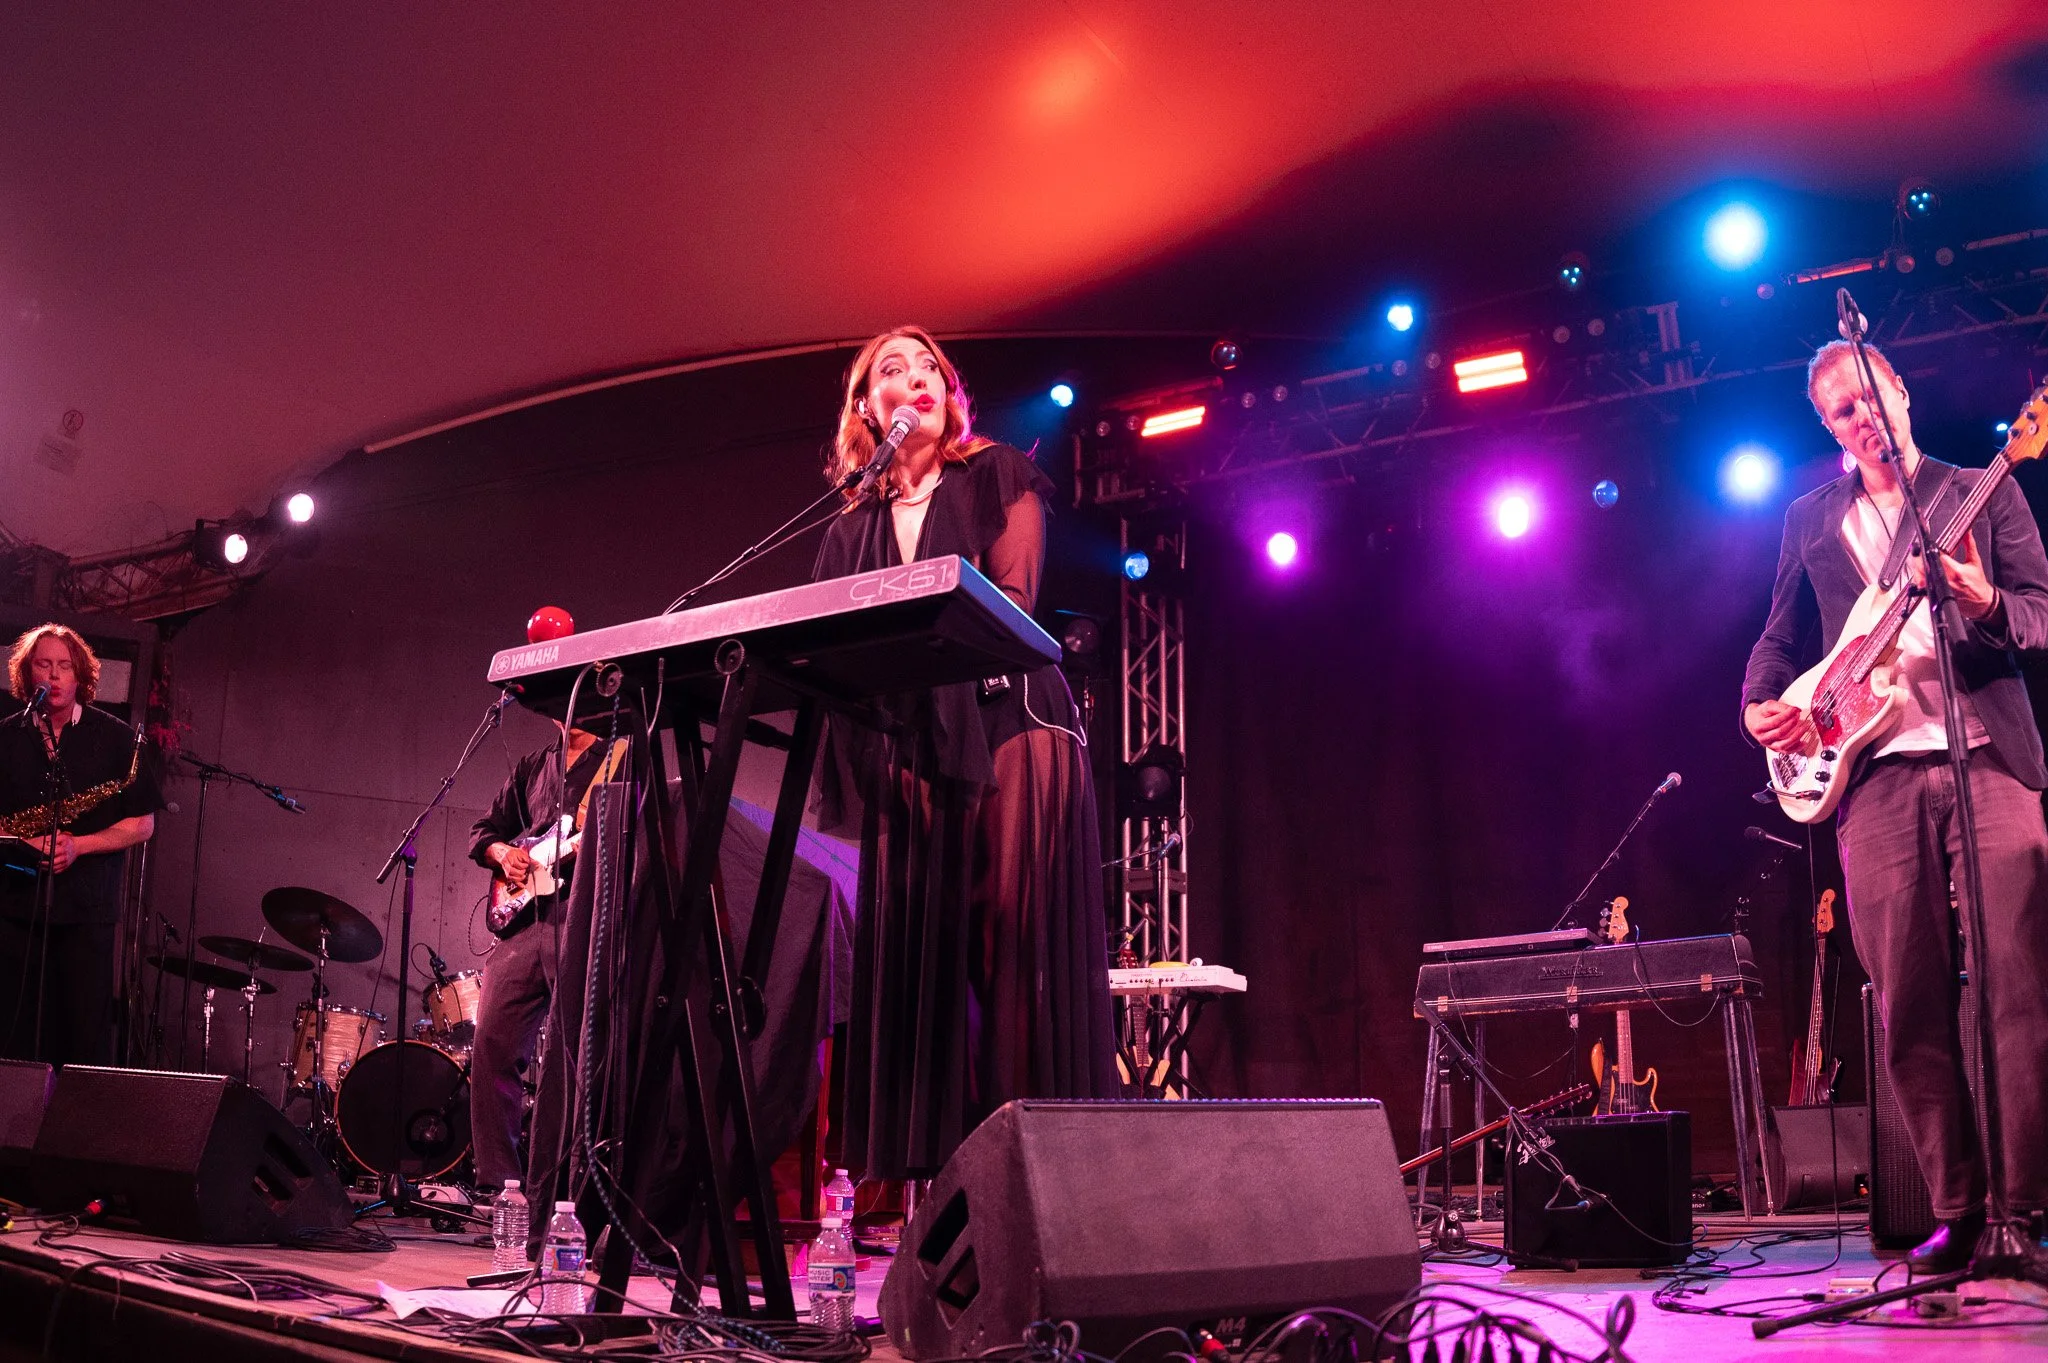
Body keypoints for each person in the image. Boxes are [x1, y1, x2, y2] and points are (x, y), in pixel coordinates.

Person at [1742, 341, 2048, 1268]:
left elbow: (2040, 613)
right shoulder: (1807, 520)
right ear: (1828, 428)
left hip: (1986, 758)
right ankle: (1958, 1210)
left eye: (1869, 393)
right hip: (1869, 778)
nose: (1861, 413)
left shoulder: (1981, 489)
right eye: (1840, 409)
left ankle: (2022, 1213)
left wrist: (1984, 597)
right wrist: (1765, 705)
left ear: (1902, 390)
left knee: (2015, 986)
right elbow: (1778, 637)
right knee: (1907, 999)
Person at [812, 326, 1118, 1181]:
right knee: (929, 959)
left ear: (948, 394)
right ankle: (948, 1188)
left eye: (928, 369)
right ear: (866, 410)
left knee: (1011, 949)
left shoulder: (996, 476)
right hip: (915, 748)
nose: (914, 379)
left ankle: (1038, 1178)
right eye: (890, 371)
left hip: (1011, 721)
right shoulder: (845, 535)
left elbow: (1012, 611)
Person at [468, 722, 627, 1192]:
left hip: (581, 918)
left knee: (578, 1058)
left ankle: (566, 1193)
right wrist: (503, 853)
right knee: (492, 1048)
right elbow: (483, 830)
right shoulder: (534, 765)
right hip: (523, 921)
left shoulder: (620, 755)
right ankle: (502, 1188)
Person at [0, 624, 162, 1066]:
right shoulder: (6, 737)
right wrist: (20, 839)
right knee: (11, 1042)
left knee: (83, 1045)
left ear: (80, 676)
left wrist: (80, 845)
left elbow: (143, 825)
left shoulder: (115, 738)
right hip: (14, 912)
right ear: (28, 673)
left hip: (87, 916)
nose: (53, 676)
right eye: (43, 664)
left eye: (63, 666)